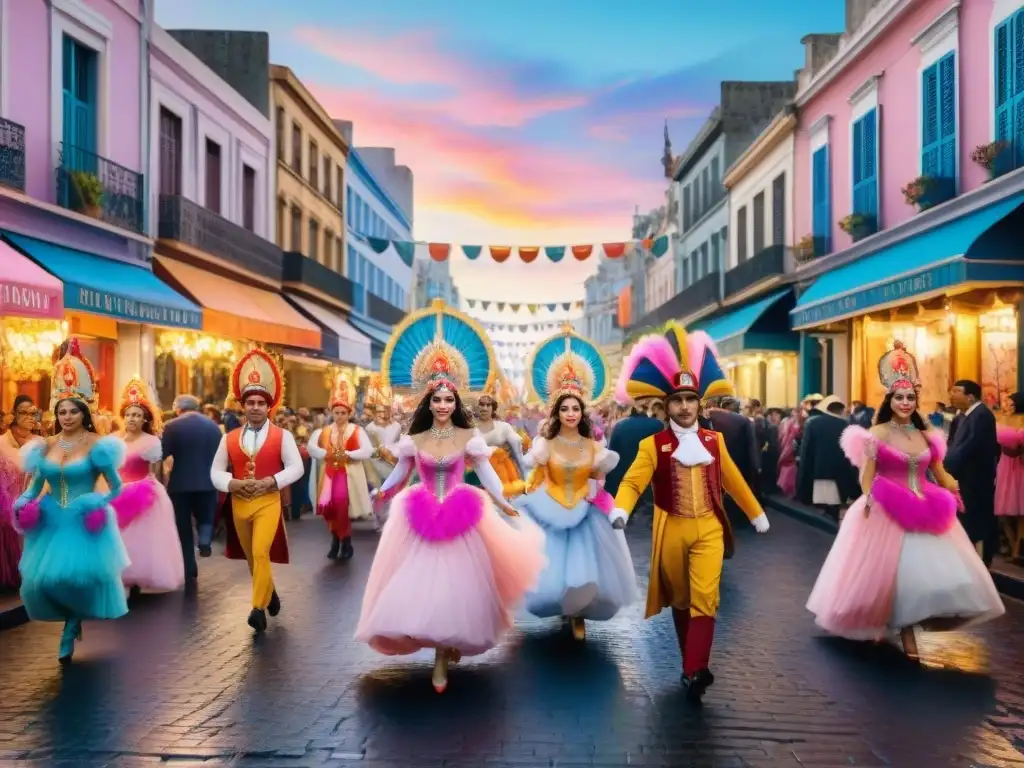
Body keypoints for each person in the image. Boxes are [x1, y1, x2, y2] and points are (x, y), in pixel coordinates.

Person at [355, 300, 545, 693]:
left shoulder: (469, 438)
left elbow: (488, 471)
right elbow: (401, 471)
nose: (443, 406)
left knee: (457, 588)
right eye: (437, 400)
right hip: (419, 515)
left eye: (449, 400)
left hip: (460, 515)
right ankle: (433, 642)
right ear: (428, 401)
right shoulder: (415, 438)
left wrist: (501, 500)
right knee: (417, 586)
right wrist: (384, 490)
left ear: (457, 402)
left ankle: (443, 655)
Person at [806, 342, 1004, 659]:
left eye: (910, 397)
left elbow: (939, 471)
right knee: (887, 573)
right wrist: (869, 498)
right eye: (899, 397)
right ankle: (891, 628)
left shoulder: (926, 435)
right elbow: (866, 475)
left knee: (920, 575)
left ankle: (908, 626)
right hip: (886, 507)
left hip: (926, 507)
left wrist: (954, 491)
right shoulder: (878, 434)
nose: (905, 402)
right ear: (890, 400)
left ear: (916, 400)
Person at [612, 324, 769, 703]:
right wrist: (620, 509)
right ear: (666, 406)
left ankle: (697, 668)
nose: (685, 406)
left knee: (706, 596)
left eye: (690, 399)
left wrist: (755, 513)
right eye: (678, 399)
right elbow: (633, 482)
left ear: (700, 404)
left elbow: (733, 480)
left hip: (709, 530)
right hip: (671, 529)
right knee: (681, 600)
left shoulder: (714, 442)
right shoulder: (654, 445)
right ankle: (689, 665)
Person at [12, 339, 141, 662]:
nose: (67, 416)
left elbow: (114, 487)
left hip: (85, 521)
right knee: (40, 582)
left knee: (73, 578)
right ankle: (70, 618)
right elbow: (36, 484)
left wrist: (97, 504)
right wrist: (23, 501)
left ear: (84, 413)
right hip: (52, 520)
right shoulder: (44, 446)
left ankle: (71, 625)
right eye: (61, 411)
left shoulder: (99, 445)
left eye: (73, 411)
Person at [513, 325, 637, 640]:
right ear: (557, 411)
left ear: (583, 412)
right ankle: (564, 608)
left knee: (584, 571)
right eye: (565, 408)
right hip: (550, 508)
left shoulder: (595, 448)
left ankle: (577, 613)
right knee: (551, 573)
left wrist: (605, 504)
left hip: (584, 511)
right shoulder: (545, 444)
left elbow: (600, 481)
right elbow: (533, 472)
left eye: (575, 408)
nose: (570, 413)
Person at [210, 349, 304, 632]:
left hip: (268, 502)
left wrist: (271, 481)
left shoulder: (283, 436)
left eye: (260, 403)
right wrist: (232, 484)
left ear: (268, 406)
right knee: (252, 558)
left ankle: (257, 609)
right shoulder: (229, 437)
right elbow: (215, 471)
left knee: (261, 551)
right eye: (249, 402)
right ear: (242, 406)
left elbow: (296, 467)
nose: (254, 407)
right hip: (239, 503)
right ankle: (269, 591)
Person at [116, 377, 184, 593]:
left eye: (136, 415)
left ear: (144, 419)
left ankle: (136, 577)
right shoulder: (113, 440)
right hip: (117, 492)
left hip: (143, 492)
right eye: (128, 415)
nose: (132, 419)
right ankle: (121, 578)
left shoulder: (151, 441)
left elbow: (154, 469)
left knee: (140, 539)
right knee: (118, 536)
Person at [307, 376, 373, 561]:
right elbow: (312, 447)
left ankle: (344, 541)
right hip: (329, 474)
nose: (340, 416)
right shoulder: (324, 431)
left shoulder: (357, 431)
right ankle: (337, 539)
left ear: (349, 414)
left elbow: (367, 450)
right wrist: (325, 454)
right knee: (329, 507)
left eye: (343, 413)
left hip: (348, 474)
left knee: (341, 505)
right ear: (332, 413)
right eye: (336, 413)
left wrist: (349, 455)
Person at [162, 394, 224, 577]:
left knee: (183, 525)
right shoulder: (213, 427)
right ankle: (204, 541)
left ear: (178, 409)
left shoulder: (172, 426)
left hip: (180, 483)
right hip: (208, 480)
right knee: (206, 515)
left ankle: (189, 566)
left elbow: (163, 452)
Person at [946, 379, 999, 566]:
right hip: (963, 478)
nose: (951, 395)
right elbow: (952, 445)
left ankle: (981, 563)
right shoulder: (962, 416)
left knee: (977, 522)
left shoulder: (982, 415)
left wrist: (946, 468)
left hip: (976, 480)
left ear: (970, 396)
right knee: (965, 521)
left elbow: (968, 447)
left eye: (956, 391)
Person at [797, 395, 860, 521]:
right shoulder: (846, 425)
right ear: (841, 410)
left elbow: (806, 452)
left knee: (824, 505)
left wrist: (802, 479)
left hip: (819, 472)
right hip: (840, 474)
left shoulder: (813, 424)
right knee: (835, 506)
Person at [0, 395, 38, 587]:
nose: (30, 417)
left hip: (32, 502)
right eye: (24, 412)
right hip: (6, 506)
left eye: (33, 413)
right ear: (13, 415)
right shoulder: (2, 443)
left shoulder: (40, 443)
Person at [471, 385, 528, 497]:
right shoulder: (471, 432)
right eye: (481, 405)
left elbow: (519, 457)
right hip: (482, 479)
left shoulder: (504, 427)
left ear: (493, 408)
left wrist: (526, 482)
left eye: (488, 405)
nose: (485, 408)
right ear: (476, 408)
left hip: (507, 476)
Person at [362, 375, 402, 528]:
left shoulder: (397, 426)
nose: (382, 414)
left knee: (394, 489)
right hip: (375, 462)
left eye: (385, 410)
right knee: (378, 490)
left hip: (394, 460)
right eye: (379, 411)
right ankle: (377, 517)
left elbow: (398, 442)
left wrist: (394, 454)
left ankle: (392, 517)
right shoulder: (370, 428)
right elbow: (368, 447)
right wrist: (379, 451)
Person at [996, 393, 1024, 558]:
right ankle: (1013, 544)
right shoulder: (1000, 420)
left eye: (1012, 404)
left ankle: (1017, 550)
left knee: (1022, 511)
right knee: (1002, 510)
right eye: (1008, 403)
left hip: (1020, 464)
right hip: (1005, 464)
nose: (1007, 406)